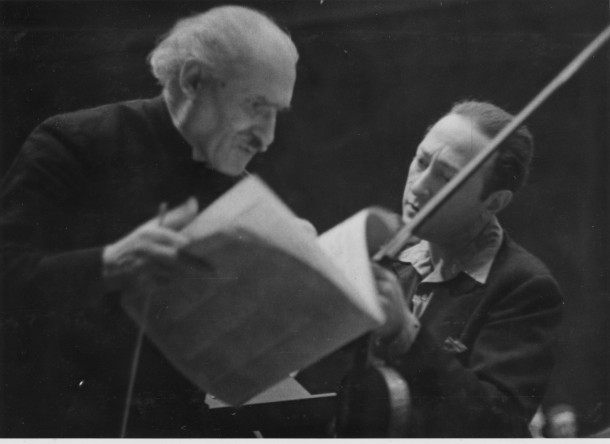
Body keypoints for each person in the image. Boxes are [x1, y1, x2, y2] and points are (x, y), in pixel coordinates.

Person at [0, 5, 299, 437]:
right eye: (256, 105)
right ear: (192, 80)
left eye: (276, 113)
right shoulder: (73, 141)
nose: (267, 137)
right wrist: (108, 264)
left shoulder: (240, 191)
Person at [367, 101, 564, 437]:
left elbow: (498, 427)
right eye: (421, 161)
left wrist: (406, 335)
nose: (418, 186)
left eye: (445, 177)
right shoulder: (389, 255)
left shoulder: (525, 285)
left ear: (494, 202)